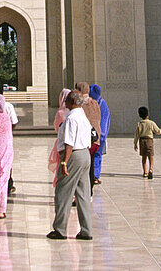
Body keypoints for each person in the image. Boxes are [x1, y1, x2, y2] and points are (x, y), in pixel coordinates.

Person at [47, 90, 93, 241]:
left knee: (63, 193)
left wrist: (64, 162)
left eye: (67, 100)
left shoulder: (71, 118)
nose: (65, 102)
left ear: (73, 102)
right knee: (83, 194)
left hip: (73, 156)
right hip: (85, 155)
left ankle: (60, 230)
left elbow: (69, 143)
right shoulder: (83, 116)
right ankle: (86, 230)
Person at [74, 82, 102, 192]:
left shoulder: (80, 104)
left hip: (85, 139)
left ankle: (83, 191)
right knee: (90, 166)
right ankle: (89, 190)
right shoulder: (94, 103)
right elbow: (99, 118)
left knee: (82, 167)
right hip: (96, 139)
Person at [133, 105, 161, 179]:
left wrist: (135, 143)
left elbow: (136, 134)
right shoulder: (151, 123)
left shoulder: (139, 124)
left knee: (144, 157)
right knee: (150, 155)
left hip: (142, 141)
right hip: (149, 140)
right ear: (148, 114)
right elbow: (158, 131)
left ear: (139, 115)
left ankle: (145, 172)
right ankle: (151, 169)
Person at [48, 88, 71, 181]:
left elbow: (56, 127)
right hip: (75, 144)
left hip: (62, 142)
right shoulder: (75, 111)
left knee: (61, 164)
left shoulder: (60, 113)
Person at [89, 84, 110, 184]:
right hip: (99, 135)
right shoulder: (101, 103)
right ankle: (95, 175)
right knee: (96, 156)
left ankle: (94, 176)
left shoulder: (96, 104)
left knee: (95, 155)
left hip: (96, 135)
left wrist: (100, 134)